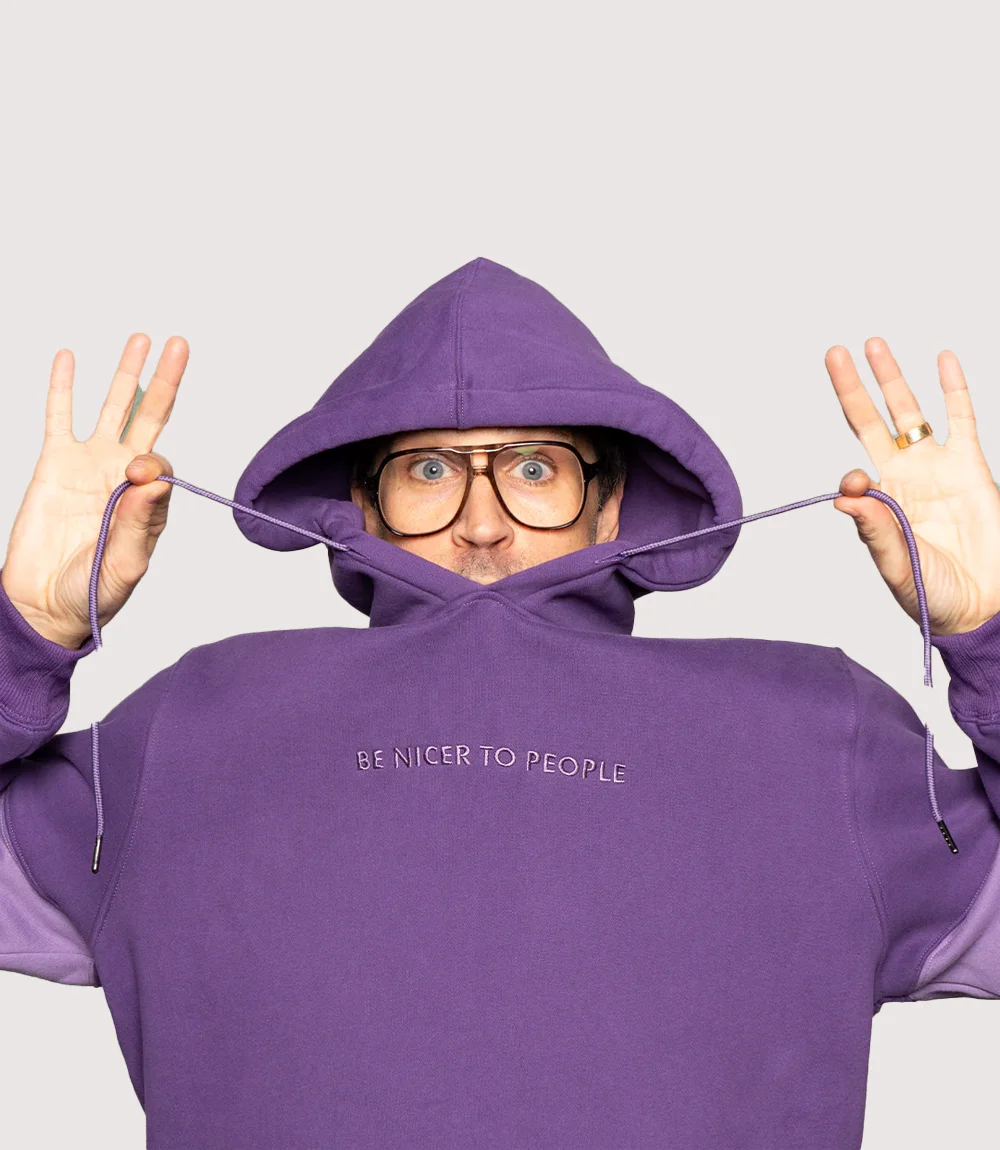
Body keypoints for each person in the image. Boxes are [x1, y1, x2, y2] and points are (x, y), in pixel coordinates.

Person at [1, 256, 998, 1149]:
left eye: (533, 468)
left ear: (611, 499)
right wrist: (27, 628)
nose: (482, 523)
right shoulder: (197, 721)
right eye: (429, 470)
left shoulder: (815, 726)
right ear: (362, 503)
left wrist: (989, 628)